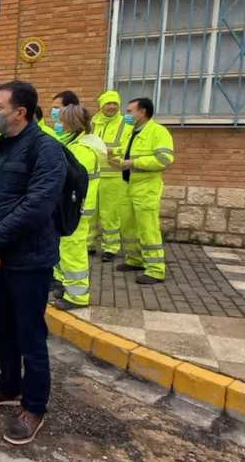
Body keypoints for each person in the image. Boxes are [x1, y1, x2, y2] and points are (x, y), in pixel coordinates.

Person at [0, 80, 67, 446]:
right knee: (2, 328)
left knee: (29, 335)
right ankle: (9, 386)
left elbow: (37, 205)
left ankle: (34, 405)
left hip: (29, 260)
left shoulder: (46, 150)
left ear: (19, 112)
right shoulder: (0, 146)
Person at [115, 97, 175, 284]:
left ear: (142, 112)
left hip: (146, 187)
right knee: (128, 226)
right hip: (127, 184)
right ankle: (135, 260)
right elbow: (125, 153)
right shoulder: (130, 132)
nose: (127, 115)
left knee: (148, 229)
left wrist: (133, 163)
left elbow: (164, 159)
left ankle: (156, 269)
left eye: (130, 111)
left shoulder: (158, 132)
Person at [51, 104, 105, 307]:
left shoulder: (82, 149)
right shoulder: (78, 144)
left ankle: (78, 295)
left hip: (76, 209)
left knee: (73, 250)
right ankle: (67, 286)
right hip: (73, 207)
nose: (58, 124)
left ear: (70, 123)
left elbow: (70, 181)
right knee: (66, 248)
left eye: (62, 120)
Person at [90, 90, 127, 260]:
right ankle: (88, 245)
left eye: (115, 104)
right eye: (108, 103)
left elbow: (127, 148)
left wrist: (110, 151)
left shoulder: (125, 124)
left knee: (110, 214)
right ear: (101, 105)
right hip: (93, 174)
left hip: (113, 176)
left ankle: (110, 248)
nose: (112, 107)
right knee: (90, 212)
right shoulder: (93, 123)